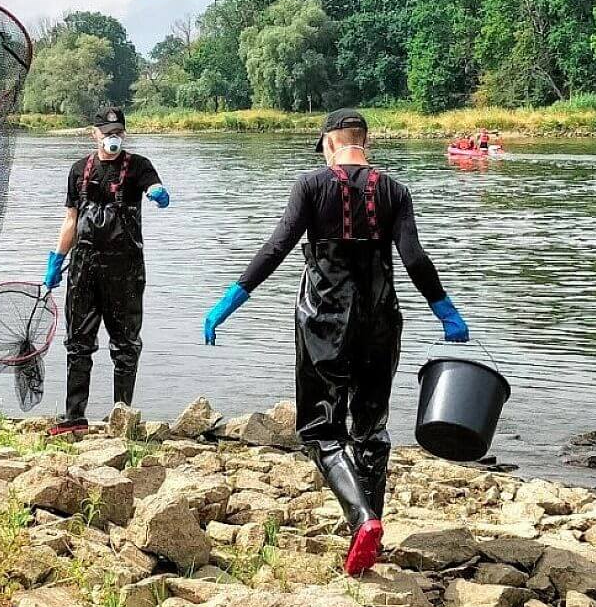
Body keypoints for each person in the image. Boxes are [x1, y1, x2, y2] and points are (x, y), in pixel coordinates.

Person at [200, 108, 468, 577]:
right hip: (380, 320)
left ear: (328, 143)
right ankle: (371, 533)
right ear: (367, 142)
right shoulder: (395, 190)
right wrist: (445, 310)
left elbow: (277, 246)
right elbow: (414, 258)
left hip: (324, 319)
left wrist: (230, 300)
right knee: (371, 427)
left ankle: (362, 520)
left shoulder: (310, 185)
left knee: (321, 430)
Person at [42, 106, 168, 435]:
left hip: (125, 270)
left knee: (125, 345)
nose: (113, 138)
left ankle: (121, 417)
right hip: (83, 268)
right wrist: (56, 260)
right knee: (78, 343)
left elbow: (153, 185)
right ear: (94, 134)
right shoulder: (78, 170)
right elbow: (70, 220)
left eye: (118, 133)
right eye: (107, 132)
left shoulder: (138, 167)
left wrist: (157, 192)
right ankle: (74, 417)